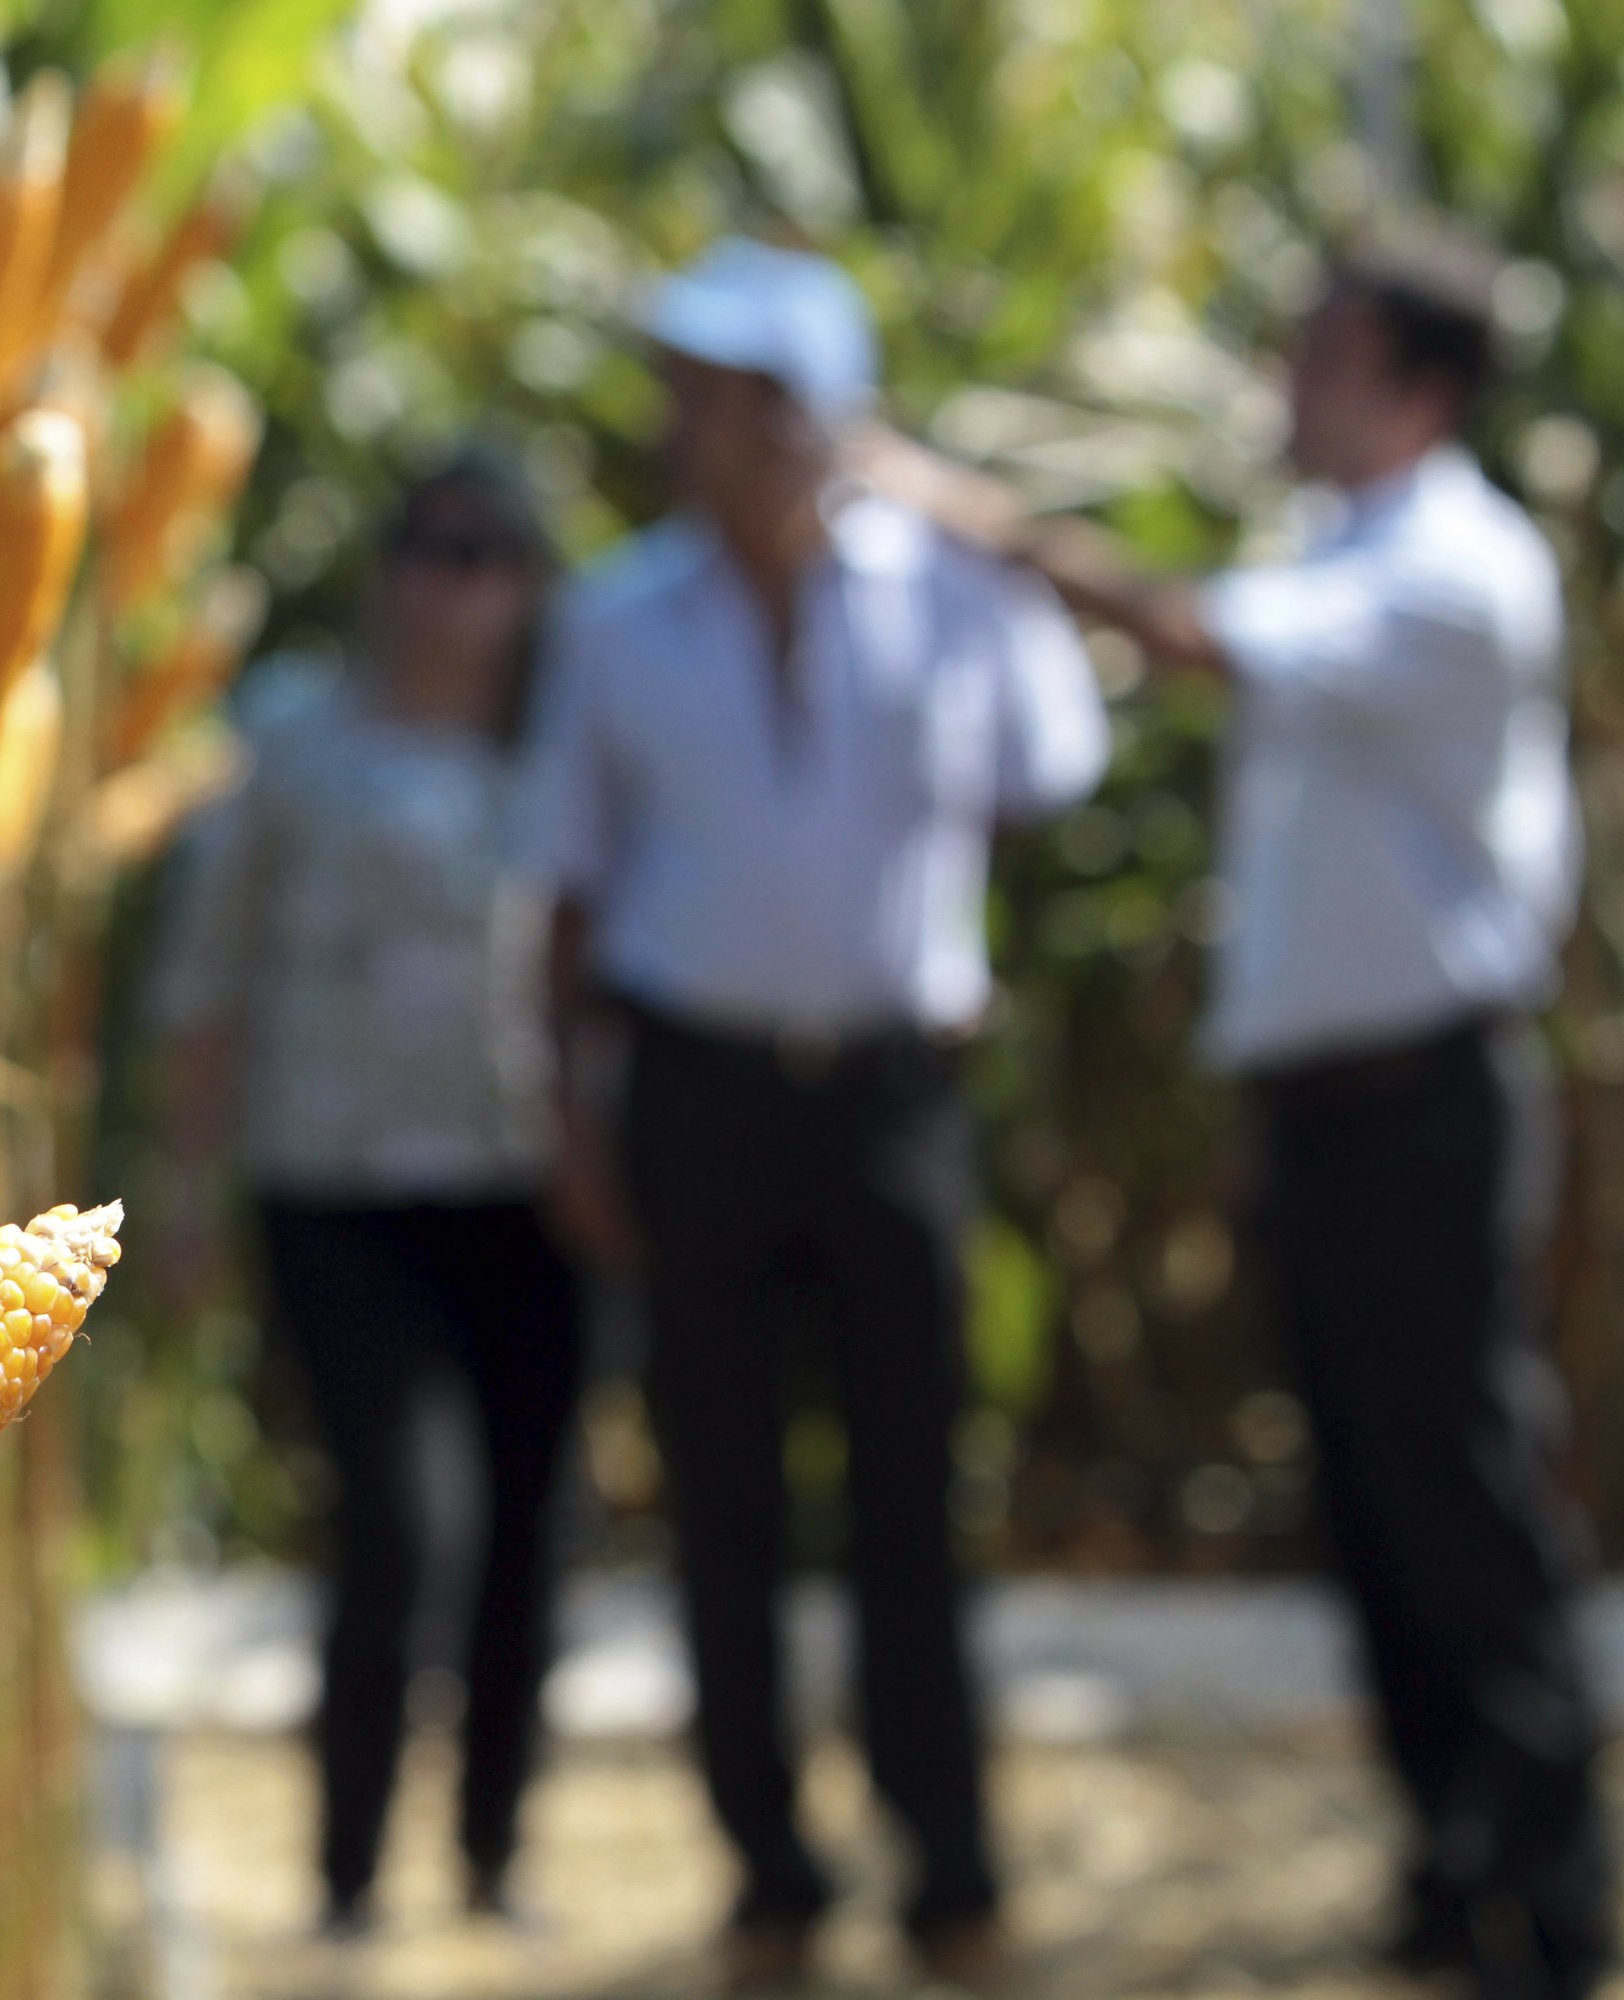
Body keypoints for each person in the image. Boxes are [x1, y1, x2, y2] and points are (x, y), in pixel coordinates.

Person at [880, 228, 1614, 2000]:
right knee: (1372, 1503)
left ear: (1417, 385)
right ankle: (1451, 1872)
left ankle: (1557, 1903)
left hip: (1429, 1104)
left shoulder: (1450, 566)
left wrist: (979, 520)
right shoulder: (1348, 550)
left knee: (1461, 1502)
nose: (1285, 376)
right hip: (1335, 1108)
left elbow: (1191, 634)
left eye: (1323, 350)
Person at [518, 239, 1110, 1991]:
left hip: (890, 1098)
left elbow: (1042, 780)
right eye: (690, 397)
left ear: (824, 421)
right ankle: (769, 1872)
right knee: (725, 1501)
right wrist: (570, 1118)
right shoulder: (618, 621)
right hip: (694, 1096)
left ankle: (952, 1875)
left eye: (737, 399)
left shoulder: (953, 594)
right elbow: (559, 895)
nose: (699, 430)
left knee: (915, 1500)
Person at [152, 449, 583, 1935]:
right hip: (334, 1184)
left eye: (484, 556)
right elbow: (204, 978)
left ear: (530, 587)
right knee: (400, 1524)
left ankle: (494, 1857)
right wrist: (183, 1183)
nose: (446, 585)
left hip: (536, 1193)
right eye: (424, 548)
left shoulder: (571, 753)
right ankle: (346, 1874)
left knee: (530, 1524)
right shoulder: (289, 737)